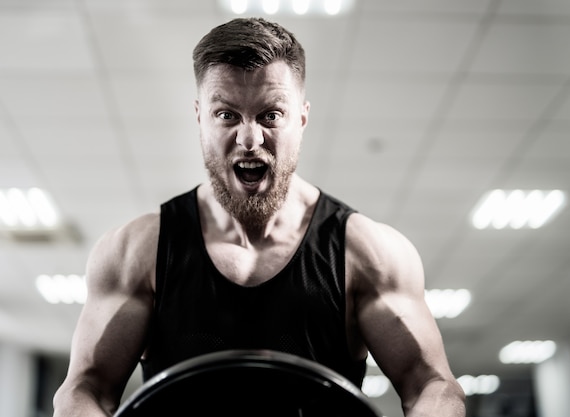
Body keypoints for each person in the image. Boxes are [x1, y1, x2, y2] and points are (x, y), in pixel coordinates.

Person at [53, 17, 466, 417]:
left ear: (301, 118)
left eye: (270, 115)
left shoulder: (367, 253)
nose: (250, 139)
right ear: (200, 117)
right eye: (226, 115)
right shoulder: (136, 253)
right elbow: (84, 390)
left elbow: (431, 385)